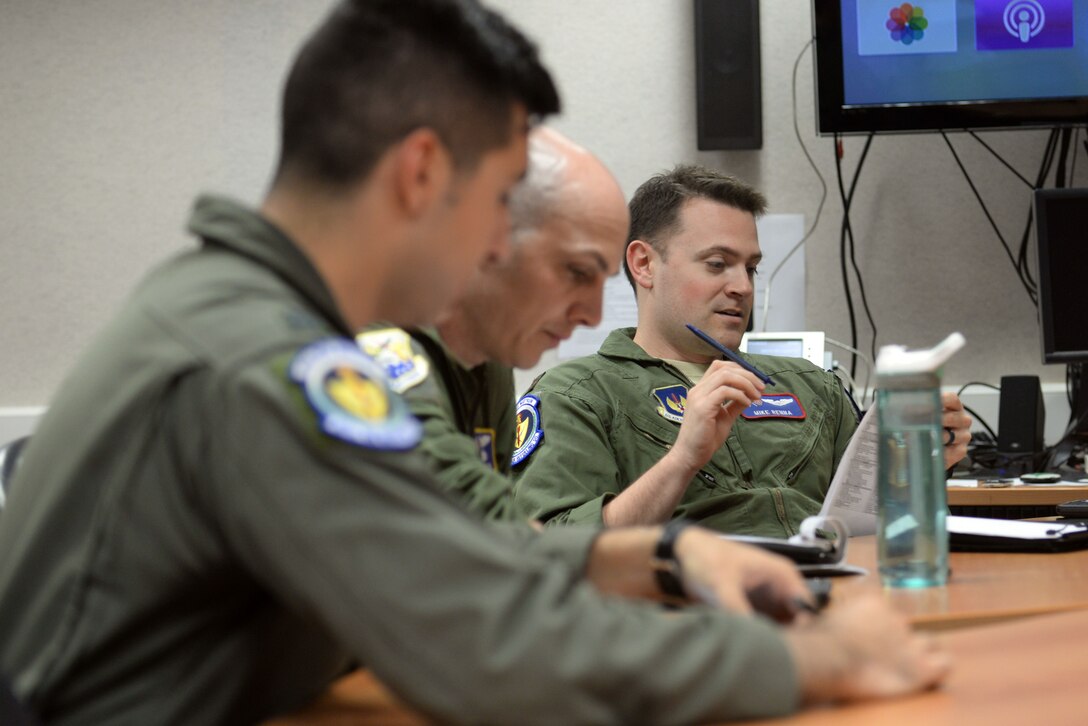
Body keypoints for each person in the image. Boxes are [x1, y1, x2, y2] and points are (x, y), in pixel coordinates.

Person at [0, 4, 949, 724]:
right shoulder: (269, 362)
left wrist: (659, 554)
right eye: (499, 197)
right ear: (420, 175)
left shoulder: (245, 315)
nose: (500, 240)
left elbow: (465, 545)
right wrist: (816, 663)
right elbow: (481, 643)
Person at [511, 164, 972, 535]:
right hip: (692, 618)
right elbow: (554, 550)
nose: (741, 287)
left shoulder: (812, 386)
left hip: (840, 594)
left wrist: (920, 462)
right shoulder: (576, 395)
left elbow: (870, 519)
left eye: (750, 268)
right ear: (644, 263)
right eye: (717, 264)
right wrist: (682, 460)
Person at [357, 126, 628, 520]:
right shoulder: (376, 338)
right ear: (492, 236)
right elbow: (473, 525)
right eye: (578, 272)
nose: (593, 315)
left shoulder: (490, 357)